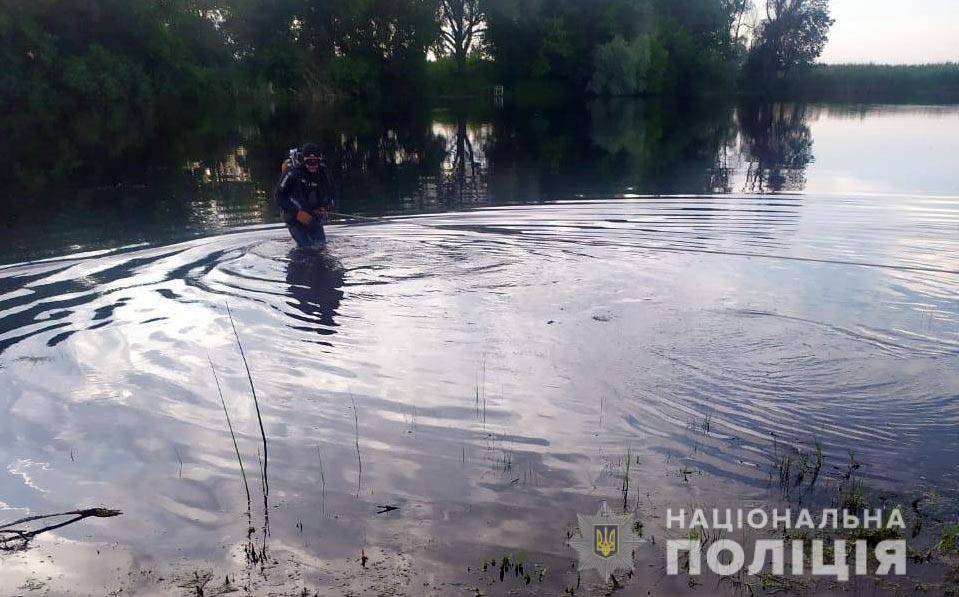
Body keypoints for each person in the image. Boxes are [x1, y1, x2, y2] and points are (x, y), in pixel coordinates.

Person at [275, 143, 337, 248]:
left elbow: (332, 193)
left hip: (313, 217)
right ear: (304, 160)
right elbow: (279, 196)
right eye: (309, 161)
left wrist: (326, 206)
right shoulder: (293, 173)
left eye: (315, 161)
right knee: (307, 248)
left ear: (319, 160)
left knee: (321, 245)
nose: (312, 165)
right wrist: (297, 213)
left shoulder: (324, 173)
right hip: (294, 218)